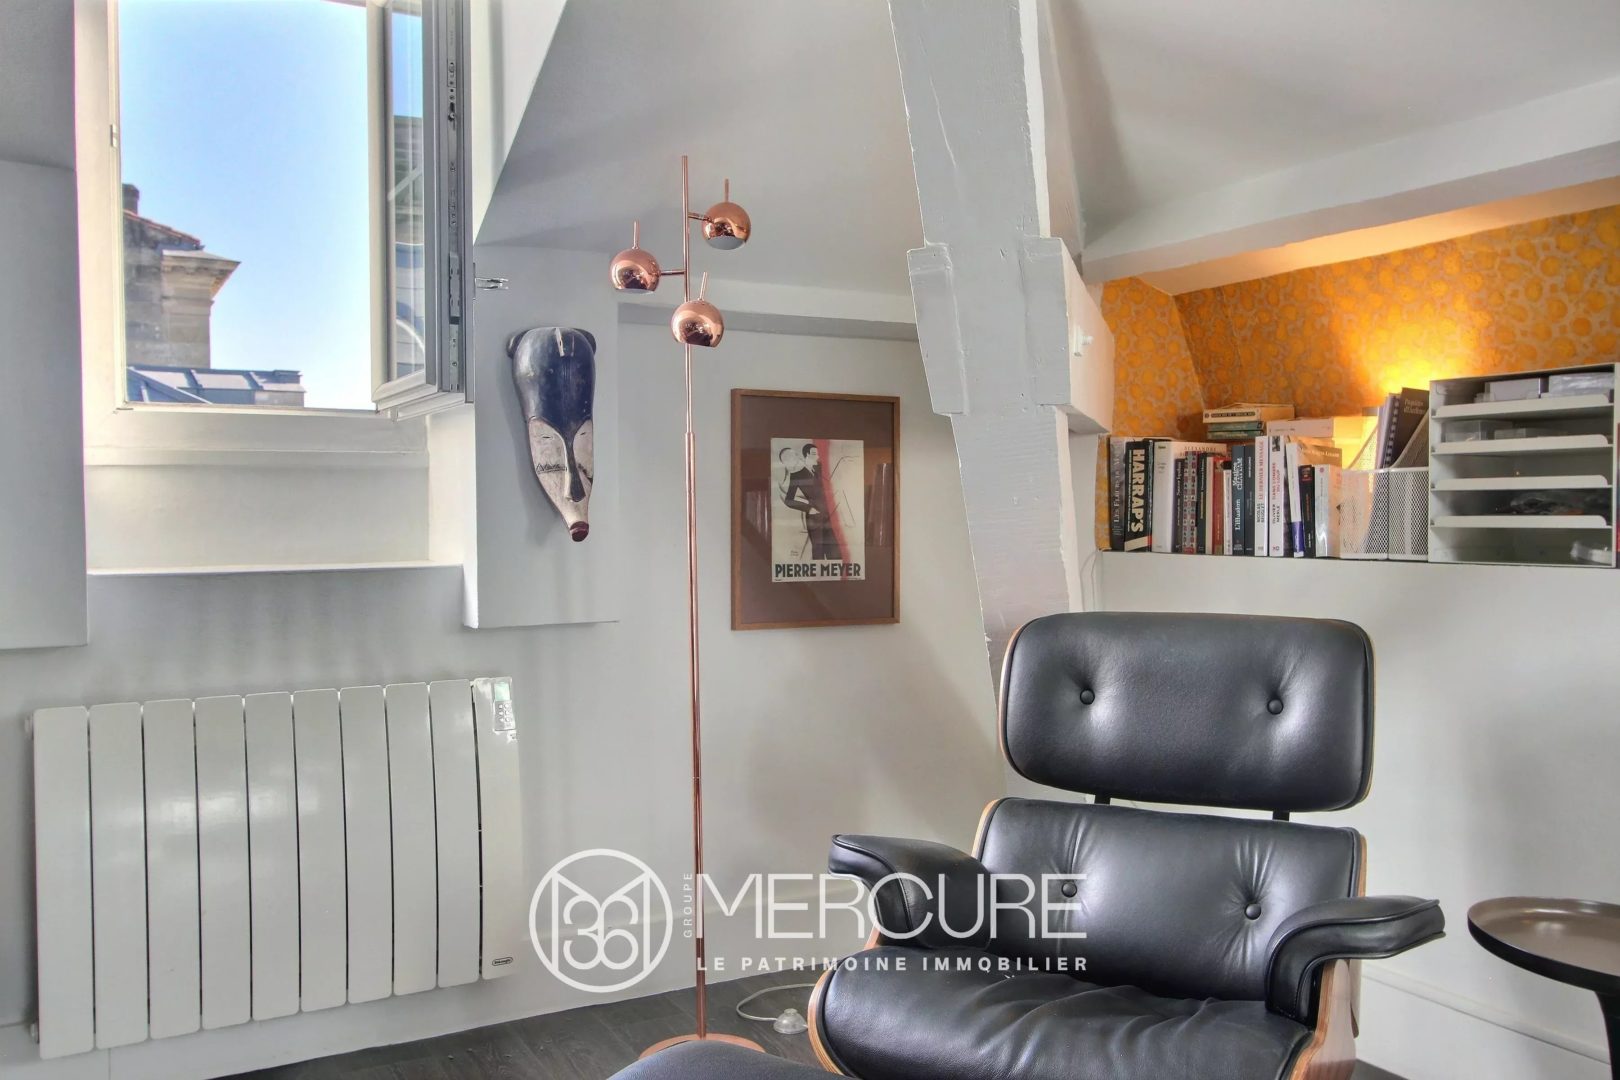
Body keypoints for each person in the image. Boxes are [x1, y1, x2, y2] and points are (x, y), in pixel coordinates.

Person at [782, 443, 841, 560]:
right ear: (807, 455)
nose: (817, 456)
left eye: (817, 454)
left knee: (835, 555)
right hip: (814, 520)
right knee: (818, 554)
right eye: (814, 454)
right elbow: (788, 500)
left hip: (828, 517)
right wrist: (809, 508)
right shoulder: (796, 475)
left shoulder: (818, 468)